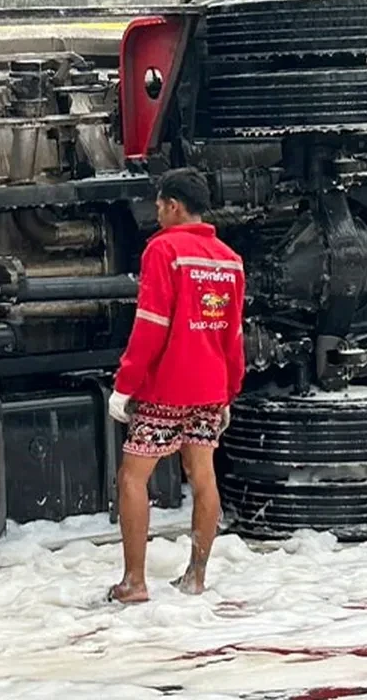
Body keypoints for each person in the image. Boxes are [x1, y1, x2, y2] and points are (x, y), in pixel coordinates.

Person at [107, 167, 246, 604]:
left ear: (173, 205)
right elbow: (232, 333)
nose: (157, 213)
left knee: (133, 476)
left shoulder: (164, 251)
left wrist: (126, 384)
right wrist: (229, 391)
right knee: (202, 476)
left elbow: (151, 324)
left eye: (159, 206)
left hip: (166, 388)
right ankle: (196, 578)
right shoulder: (228, 259)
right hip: (209, 390)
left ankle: (134, 582)